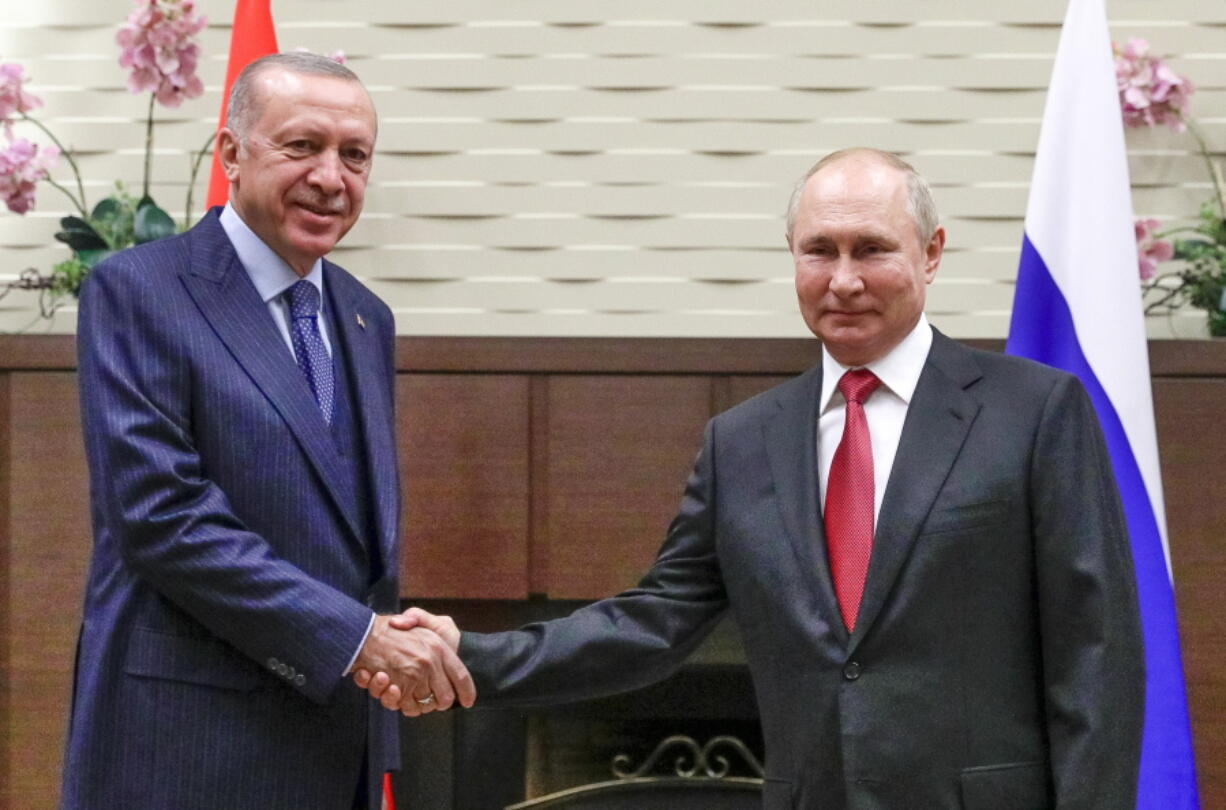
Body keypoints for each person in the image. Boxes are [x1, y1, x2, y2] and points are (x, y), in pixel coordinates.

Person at [361, 148, 1145, 809]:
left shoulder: (1034, 413)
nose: (842, 279)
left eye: (871, 248)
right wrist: (472, 652)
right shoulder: (742, 442)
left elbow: (1096, 656)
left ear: (932, 253)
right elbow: (652, 623)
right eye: (819, 250)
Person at [62, 52, 472, 810]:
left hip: (331, 744)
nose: (330, 177)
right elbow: (163, 517)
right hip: (185, 748)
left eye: (355, 156)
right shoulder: (138, 292)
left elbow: (347, 532)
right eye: (301, 146)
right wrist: (359, 640)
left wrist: (392, 637)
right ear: (231, 155)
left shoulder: (363, 316)